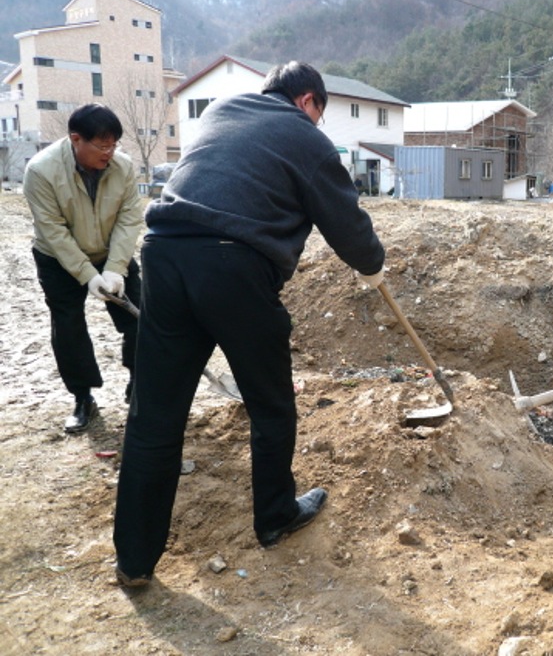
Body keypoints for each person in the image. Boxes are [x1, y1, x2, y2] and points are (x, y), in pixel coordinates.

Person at [112, 61, 386, 587]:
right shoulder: (303, 136)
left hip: (164, 255)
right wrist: (373, 266)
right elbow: (347, 225)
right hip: (232, 265)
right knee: (271, 403)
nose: (317, 124)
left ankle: (134, 561)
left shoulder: (221, 109)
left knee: (155, 416)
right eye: (319, 114)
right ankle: (276, 515)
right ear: (307, 101)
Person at [24, 104, 143, 432]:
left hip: (108, 251)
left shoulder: (123, 166)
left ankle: (138, 384)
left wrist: (116, 268)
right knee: (68, 327)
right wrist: (88, 276)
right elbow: (53, 231)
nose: (110, 153)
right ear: (76, 139)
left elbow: (129, 216)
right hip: (57, 258)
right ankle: (82, 398)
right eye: (103, 146)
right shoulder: (41, 171)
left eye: (115, 144)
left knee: (142, 316)